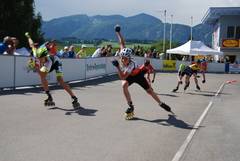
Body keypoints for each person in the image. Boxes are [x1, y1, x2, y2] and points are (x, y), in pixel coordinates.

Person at [111, 25, 173, 120]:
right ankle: (130, 105)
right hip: (130, 76)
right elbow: (122, 42)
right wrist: (118, 33)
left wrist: (118, 67)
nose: (123, 60)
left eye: (125, 59)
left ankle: (161, 103)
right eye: (121, 58)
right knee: (124, 85)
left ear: (129, 58)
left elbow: (123, 76)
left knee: (149, 91)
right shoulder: (123, 53)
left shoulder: (130, 65)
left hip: (138, 75)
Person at [25, 32, 80, 108]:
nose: (40, 60)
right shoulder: (36, 53)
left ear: (45, 56)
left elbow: (41, 73)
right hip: (48, 63)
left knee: (60, 80)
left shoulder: (48, 62)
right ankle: (49, 96)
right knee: (42, 77)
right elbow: (31, 44)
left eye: (41, 58)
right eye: (39, 58)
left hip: (56, 62)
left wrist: (35, 67)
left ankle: (74, 97)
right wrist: (28, 36)